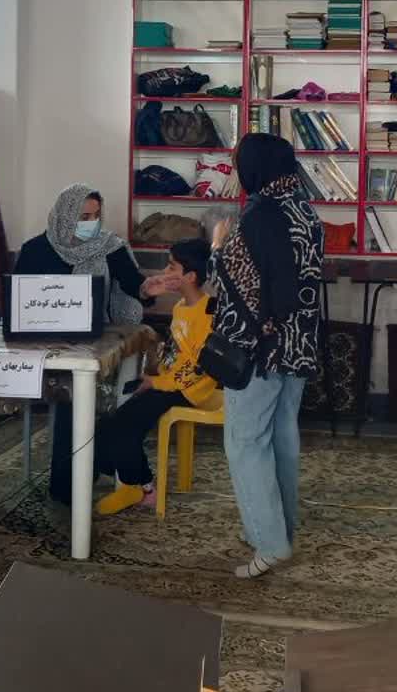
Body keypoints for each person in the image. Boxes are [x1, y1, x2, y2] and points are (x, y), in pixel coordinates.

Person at [211, 133, 326, 580]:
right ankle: (279, 530)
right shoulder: (304, 209)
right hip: (296, 346)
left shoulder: (260, 213)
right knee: (281, 437)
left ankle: (270, 542)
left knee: (245, 443)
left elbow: (241, 284)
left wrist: (218, 248)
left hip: (260, 350)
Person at [93, 238, 218, 516]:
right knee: (110, 418)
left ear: (190, 276)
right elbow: (174, 354)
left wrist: (156, 383)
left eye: (171, 266)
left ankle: (141, 488)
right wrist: (152, 375)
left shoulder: (208, 313)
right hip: (169, 383)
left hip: (189, 389)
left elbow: (196, 368)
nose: (164, 271)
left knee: (125, 425)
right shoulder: (181, 307)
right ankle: (122, 475)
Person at [14, 184, 174, 322]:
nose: (93, 223)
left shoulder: (110, 246)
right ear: (65, 217)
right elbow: (20, 300)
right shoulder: (35, 250)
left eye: (97, 216)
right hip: (43, 333)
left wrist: (145, 290)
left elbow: (133, 285)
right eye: (85, 217)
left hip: (99, 334)